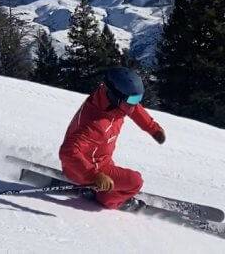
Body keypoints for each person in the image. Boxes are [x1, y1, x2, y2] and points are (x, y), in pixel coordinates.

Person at [58, 67, 167, 210]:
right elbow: (67, 151)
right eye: (132, 100)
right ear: (115, 96)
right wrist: (94, 175)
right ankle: (108, 200)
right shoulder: (94, 124)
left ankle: (106, 190)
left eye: (138, 99)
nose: (134, 105)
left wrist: (153, 128)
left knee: (124, 178)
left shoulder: (112, 102)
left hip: (101, 161)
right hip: (85, 171)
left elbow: (135, 108)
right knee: (135, 181)